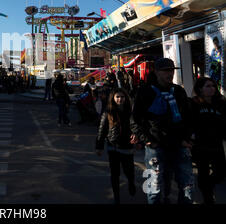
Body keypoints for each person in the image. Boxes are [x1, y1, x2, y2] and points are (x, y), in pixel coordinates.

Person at [130, 58, 194, 204]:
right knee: (154, 186)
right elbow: (135, 119)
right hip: (155, 145)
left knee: (187, 186)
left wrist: (187, 139)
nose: (169, 74)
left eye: (171, 70)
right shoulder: (145, 91)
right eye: (166, 71)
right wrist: (146, 139)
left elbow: (189, 117)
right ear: (157, 72)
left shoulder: (179, 91)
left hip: (179, 144)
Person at [96, 88, 136, 204]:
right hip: (112, 146)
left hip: (127, 146)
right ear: (113, 98)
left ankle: (131, 182)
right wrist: (99, 146)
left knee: (129, 170)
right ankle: (116, 196)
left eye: (122, 97)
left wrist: (137, 137)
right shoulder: (108, 111)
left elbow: (137, 126)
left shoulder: (130, 110)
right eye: (117, 97)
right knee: (115, 173)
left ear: (126, 98)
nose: (120, 99)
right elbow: (102, 129)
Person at [190, 77, 226, 204]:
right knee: (203, 172)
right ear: (200, 89)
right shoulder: (194, 103)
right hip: (200, 145)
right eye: (208, 86)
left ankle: (207, 187)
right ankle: (208, 198)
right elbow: (189, 122)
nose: (212, 89)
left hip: (217, 144)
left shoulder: (221, 103)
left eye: (213, 86)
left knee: (221, 172)